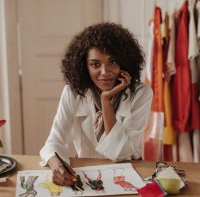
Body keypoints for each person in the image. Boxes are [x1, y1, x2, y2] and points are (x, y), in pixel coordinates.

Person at [40, 22, 153, 187]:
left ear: (124, 62)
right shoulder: (72, 92)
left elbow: (120, 154)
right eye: (95, 64)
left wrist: (106, 102)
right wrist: (56, 165)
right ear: (84, 66)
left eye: (112, 62)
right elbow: (53, 141)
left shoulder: (141, 94)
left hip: (127, 172)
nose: (105, 72)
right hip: (86, 173)